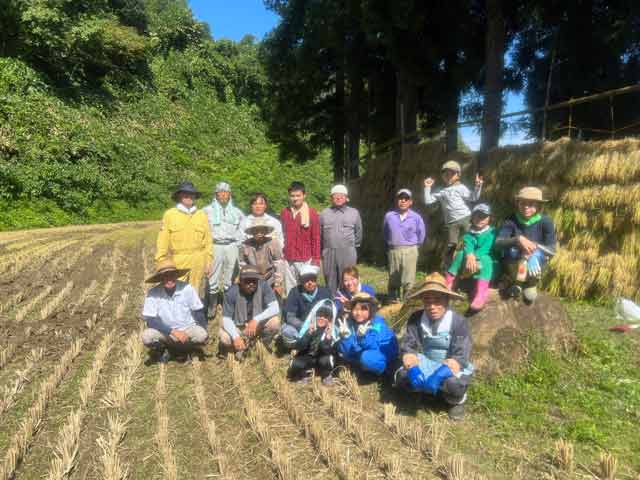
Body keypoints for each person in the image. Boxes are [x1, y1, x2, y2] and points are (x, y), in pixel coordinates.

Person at [393, 273, 473, 421]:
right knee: (402, 375)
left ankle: (456, 400)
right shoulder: (416, 318)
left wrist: (441, 373)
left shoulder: (458, 322)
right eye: (427, 301)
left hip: (450, 366)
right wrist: (412, 366)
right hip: (428, 361)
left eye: (437, 300)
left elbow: (461, 354)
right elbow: (408, 345)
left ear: (447, 300)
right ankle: (424, 392)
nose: (432, 307)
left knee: (453, 384)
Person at [495, 186, 556, 303]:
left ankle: (530, 283)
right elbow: (498, 243)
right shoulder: (511, 220)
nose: (526, 207)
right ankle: (515, 281)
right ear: (518, 203)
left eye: (531, 204)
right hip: (515, 257)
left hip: (536, 259)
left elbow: (552, 249)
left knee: (539, 258)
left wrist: (535, 251)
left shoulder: (546, 221)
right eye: (523, 203)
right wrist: (518, 239)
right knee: (511, 252)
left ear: (539, 206)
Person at [141, 260, 209, 363]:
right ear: (160, 278)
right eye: (165, 275)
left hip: (187, 330)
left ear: (176, 275)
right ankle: (164, 349)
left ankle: (188, 349)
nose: (169, 278)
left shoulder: (187, 288)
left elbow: (198, 311)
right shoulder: (153, 293)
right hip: (166, 332)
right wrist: (173, 332)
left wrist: (204, 329)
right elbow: (151, 320)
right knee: (146, 337)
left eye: (172, 274)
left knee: (202, 335)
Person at [156, 181, 213, 295]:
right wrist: (160, 263)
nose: (188, 197)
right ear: (179, 196)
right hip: (178, 259)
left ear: (195, 196)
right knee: (176, 292)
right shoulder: (170, 215)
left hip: (198, 260)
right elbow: (162, 241)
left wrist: (208, 262)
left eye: (191, 194)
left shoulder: (201, 215)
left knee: (195, 293)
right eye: (185, 194)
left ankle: (192, 312)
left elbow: (208, 240)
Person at [424, 161, 483, 266]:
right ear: (442, 176)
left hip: (465, 218)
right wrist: (427, 187)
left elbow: (473, 197)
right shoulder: (441, 191)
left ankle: (474, 264)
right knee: (451, 246)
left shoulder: (461, 187)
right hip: (451, 223)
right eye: (446, 173)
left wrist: (478, 187)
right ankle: (450, 269)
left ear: (458, 175)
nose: (448, 175)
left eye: (452, 173)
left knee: (470, 241)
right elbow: (428, 200)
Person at [218, 265, 281, 360]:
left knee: (275, 322)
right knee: (225, 337)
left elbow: (275, 307)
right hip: (239, 327)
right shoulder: (231, 292)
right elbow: (226, 319)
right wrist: (235, 337)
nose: (251, 283)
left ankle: (262, 344)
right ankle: (237, 347)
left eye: (254, 280)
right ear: (240, 281)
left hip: (257, 325)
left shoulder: (263, 286)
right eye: (247, 281)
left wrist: (256, 320)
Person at [446, 203, 498, 312]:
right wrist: (469, 255)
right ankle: (450, 281)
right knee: (460, 254)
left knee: (486, 259)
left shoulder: (492, 232)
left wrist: (473, 256)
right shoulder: (469, 233)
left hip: (488, 264)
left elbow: (486, 248)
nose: (480, 219)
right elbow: (467, 245)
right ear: (472, 217)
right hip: (472, 263)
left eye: (484, 216)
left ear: (489, 218)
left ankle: (481, 292)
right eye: (477, 216)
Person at [203, 182, 245, 313]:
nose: (223, 194)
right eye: (220, 192)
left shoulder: (237, 212)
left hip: (231, 245)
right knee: (212, 275)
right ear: (216, 194)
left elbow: (242, 231)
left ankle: (228, 304)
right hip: (215, 245)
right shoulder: (206, 211)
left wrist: (240, 247)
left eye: (225, 192)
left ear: (229, 194)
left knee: (231, 277)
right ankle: (212, 304)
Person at [335, 292, 398, 377]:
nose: (358, 313)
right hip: (363, 354)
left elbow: (374, 347)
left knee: (367, 357)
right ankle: (364, 367)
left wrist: (362, 338)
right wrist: (346, 338)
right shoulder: (350, 323)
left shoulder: (377, 323)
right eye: (355, 309)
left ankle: (383, 371)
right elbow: (348, 352)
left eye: (363, 309)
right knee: (341, 346)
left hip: (383, 354)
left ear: (371, 310)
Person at [383, 188, 426, 302]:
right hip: (394, 250)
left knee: (408, 279)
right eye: (400, 198)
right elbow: (385, 232)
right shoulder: (389, 216)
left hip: (410, 250)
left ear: (410, 202)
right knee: (393, 278)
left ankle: (407, 303)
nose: (403, 201)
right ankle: (393, 302)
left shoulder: (416, 217)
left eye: (406, 199)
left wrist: (415, 246)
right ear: (397, 201)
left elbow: (421, 234)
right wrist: (391, 244)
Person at [319, 185, 363, 294]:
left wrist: (351, 245)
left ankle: (350, 301)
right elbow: (319, 234)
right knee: (330, 279)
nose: (338, 198)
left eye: (341, 195)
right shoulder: (324, 213)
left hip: (347, 251)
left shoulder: (354, 213)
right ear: (331, 198)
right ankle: (332, 302)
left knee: (349, 278)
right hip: (329, 251)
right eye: (335, 195)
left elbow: (359, 232)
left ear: (346, 198)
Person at [280, 181, 321, 294]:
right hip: (289, 258)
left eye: (298, 195)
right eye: (292, 196)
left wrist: (316, 258)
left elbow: (316, 237)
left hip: (306, 258)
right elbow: (282, 234)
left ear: (304, 195)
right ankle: (292, 309)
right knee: (290, 289)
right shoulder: (285, 212)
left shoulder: (312, 213)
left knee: (306, 288)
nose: (295, 198)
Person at [280, 264, 332, 350]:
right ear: (301, 280)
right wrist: (306, 326)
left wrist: (321, 326)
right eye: (306, 280)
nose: (310, 282)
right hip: (301, 327)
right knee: (286, 331)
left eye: (312, 279)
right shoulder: (294, 292)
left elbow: (331, 313)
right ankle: (298, 347)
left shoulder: (325, 292)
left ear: (316, 279)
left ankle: (319, 344)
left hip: (321, 327)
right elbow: (290, 317)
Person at [287, 303, 338, 385]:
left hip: (322, 357)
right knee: (295, 364)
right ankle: (305, 374)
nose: (322, 318)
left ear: (330, 320)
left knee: (327, 360)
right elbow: (300, 346)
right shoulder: (309, 327)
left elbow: (327, 350)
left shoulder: (332, 332)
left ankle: (326, 374)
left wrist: (327, 337)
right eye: (319, 315)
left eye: (325, 317)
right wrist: (308, 334)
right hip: (309, 356)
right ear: (315, 316)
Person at [240, 221, 285, 295]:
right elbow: (242, 265)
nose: (259, 233)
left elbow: (278, 263)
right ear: (251, 232)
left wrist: (278, 283)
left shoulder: (274, 243)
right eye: (256, 231)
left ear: (266, 231)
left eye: (261, 230)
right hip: (252, 277)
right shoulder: (245, 245)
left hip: (271, 277)